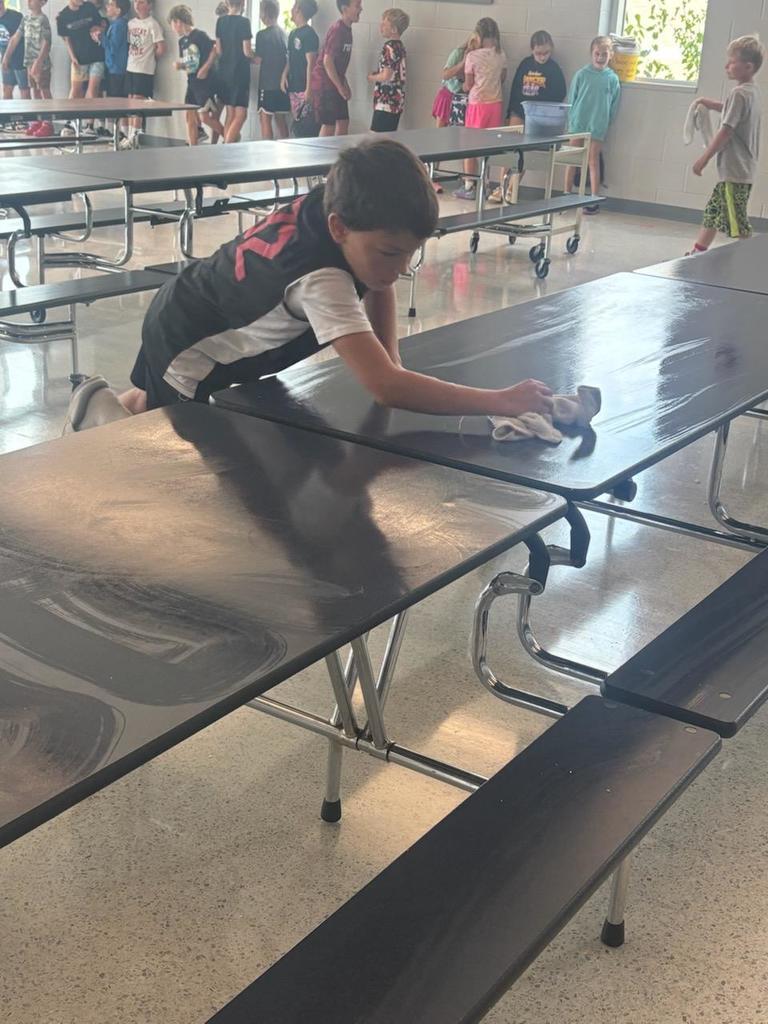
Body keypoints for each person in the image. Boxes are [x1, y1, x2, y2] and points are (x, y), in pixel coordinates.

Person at [63, 140, 554, 432]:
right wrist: (500, 400)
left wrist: (394, 360)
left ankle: (98, 405)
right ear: (340, 228)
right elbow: (383, 388)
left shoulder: (340, 208)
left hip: (185, 305)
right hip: (189, 348)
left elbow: (377, 283)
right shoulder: (323, 280)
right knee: (169, 450)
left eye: (411, 251)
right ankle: (99, 425)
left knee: (151, 400)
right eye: (392, 253)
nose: (402, 267)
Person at [689, 34, 764, 253]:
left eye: (732, 62)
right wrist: (710, 104)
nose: (726, 66)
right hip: (739, 169)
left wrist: (703, 159)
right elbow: (733, 111)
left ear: (748, 67)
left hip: (735, 170)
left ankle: (751, 257)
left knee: (736, 219)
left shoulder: (739, 94)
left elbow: (726, 130)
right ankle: (698, 251)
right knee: (713, 212)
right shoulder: (751, 91)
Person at [488, 29, 566, 203]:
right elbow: (516, 89)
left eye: (546, 53)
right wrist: (509, 114)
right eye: (538, 53)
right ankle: (501, 186)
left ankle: (511, 189)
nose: (542, 57)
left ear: (551, 50)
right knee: (509, 148)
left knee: (524, 152)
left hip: (539, 117)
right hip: (519, 111)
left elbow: (560, 93)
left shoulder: (553, 69)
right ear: (532, 50)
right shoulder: (525, 64)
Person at [565, 36, 620, 213]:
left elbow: (614, 104)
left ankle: (594, 198)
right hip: (578, 123)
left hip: (597, 125)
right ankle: (566, 194)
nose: (600, 57)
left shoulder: (612, 79)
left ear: (610, 55)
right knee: (572, 158)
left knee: (593, 161)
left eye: (604, 54)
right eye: (597, 53)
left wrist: (605, 122)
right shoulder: (582, 74)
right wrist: (571, 120)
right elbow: (572, 98)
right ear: (591, 54)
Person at [454, 17, 506, 202]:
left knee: (470, 146)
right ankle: (486, 184)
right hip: (496, 105)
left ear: (479, 34)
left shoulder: (472, 56)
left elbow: (468, 85)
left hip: (477, 104)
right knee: (488, 147)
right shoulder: (501, 55)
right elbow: (503, 78)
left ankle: (469, 185)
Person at [169, 3, 223, 145]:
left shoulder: (200, 36)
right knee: (189, 115)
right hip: (192, 82)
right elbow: (190, 64)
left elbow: (214, 50)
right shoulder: (182, 42)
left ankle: (230, 136)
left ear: (178, 22)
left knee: (205, 117)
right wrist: (180, 65)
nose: (173, 29)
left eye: (172, 24)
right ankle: (193, 146)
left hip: (204, 84)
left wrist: (205, 68)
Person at [310, 0, 361, 137]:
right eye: (357, 6)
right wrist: (340, 86)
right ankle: (322, 157)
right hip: (324, 84)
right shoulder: (337, 29)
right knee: (329, 125)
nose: (360, 9)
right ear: (345, 9)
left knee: (343, 121)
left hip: (335, 82)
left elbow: (339, 64)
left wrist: (344, 83)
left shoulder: (347, 30)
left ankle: (339, 155)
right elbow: (328, 61)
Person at [56, 0, 105, 134]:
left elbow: (101, 23)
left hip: (97, 55)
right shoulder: (62, 16)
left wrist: (100, 29)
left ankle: (89, 125)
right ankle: (70, 122)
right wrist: (73, 57)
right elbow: (66, 39)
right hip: (79, 58)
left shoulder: (89, 7)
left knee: (93, 89)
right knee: (76, 90)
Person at [121, 0, 165, 148]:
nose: (137, 5)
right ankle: (128, 135)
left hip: (144, 68)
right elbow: (129, 43)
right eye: (136, 2)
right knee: (130, 99)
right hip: (131, 66)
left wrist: (151, 58)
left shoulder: (152, 24)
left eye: (141, 2)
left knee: (138, 101)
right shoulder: (131, 23)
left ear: (149, 6)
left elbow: (161, 47)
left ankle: (135, 135)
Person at [4, 0, 48, 135]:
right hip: (29, 62)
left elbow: (47, 42)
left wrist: (39, 61)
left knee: (43, 91)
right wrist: (6, 57)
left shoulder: (43, 19)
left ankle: (48, 122)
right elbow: (15, 38)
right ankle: (37, 121)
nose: (29, 2)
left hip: (41, 63)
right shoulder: (26, 19)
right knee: (35, 91)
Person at [215, 0, 254, 143]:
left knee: (230, 115)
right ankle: (227, 146)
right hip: (239, 72)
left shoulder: (220, 21)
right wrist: (255, 57)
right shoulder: (244, 22)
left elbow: (219, 50)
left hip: (224, 72)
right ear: (243, 3)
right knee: (241, 115)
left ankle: (227, 150)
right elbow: (247, 51)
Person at [368, 7, 408, 132]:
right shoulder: (400, 46)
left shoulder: (389, 47)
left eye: (384, 24)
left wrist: (372, 77)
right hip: (397, 100)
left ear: (394, 29)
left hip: (386, 100)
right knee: (388, 137)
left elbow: (386, 75)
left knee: (375, 137)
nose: (381, 26)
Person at [254, 0, 289, 139]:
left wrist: (246, 56)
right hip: (282, 84)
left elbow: (258, 60)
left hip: (267, 84)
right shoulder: (284, 34)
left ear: (263, 13)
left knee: (265, 118)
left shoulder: (262, 35)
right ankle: (287, 150)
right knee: (281, 120)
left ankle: (266, 152)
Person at [280, 0, 318, 121]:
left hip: (304, 87)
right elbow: (290, 58)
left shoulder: (310, 34)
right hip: (294, 86)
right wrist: (284, 76)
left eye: (293, 6)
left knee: (306, 124)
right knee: (297, 120)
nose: (291, 9)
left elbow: (311, 63)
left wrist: (309, 88)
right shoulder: (292, 34)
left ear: (298, 9)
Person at [0, 0, 29, 100]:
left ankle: (28, 116)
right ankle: (6, 115)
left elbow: (14, 40)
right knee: (7, 88)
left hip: (19, 58)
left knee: (24, 90)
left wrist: (6, 58)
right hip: (5, 59)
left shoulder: (15, 17)